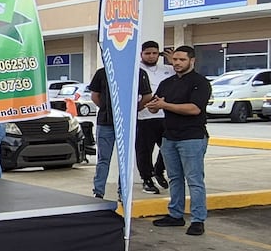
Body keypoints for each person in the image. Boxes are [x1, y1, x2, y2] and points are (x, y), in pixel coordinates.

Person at [149, 46, 212, 236]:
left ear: (192, 61)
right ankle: (175, 214)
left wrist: (165, 105)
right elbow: (155, 105)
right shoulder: (167, 83)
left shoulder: (200, 83)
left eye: (182, 60)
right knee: (174, 178)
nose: (177, 63)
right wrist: (153, 106)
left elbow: (194, 109)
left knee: (194, 180)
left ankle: (198, 219)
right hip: (169, 137)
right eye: (175, 59)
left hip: (192, 137)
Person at [87, 66, 152, 200]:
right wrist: (106, 108)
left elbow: (147, 96)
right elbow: (95, 96)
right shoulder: (102, 72)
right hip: (105, 122)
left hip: (127, 123)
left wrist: (133, 109)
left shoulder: (138, 72)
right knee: (103, 159)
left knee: (125, 160)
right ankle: (98, 192)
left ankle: (123, 192)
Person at [136, 41, 176, 194]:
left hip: (166, 115)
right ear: (141, 54)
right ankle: (147, 179)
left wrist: (173, 61)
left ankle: (159, 170)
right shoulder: (136, 70)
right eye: (147, 53)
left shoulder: (169, 69)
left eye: (154, 53)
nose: (151, 56)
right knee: (144, 151)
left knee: (169, 148)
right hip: (143, 117)